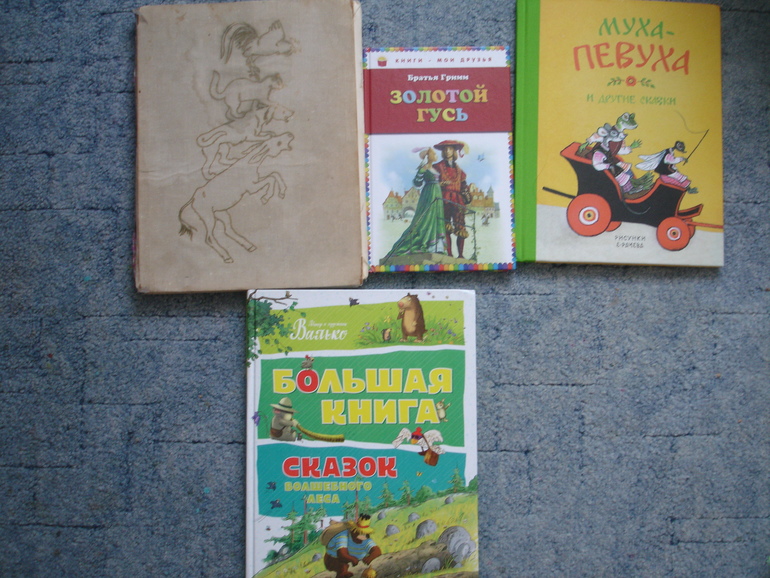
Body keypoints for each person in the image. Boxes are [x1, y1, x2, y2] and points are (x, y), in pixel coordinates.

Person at [385, 147, 446, 259]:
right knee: (427, 217)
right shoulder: (424, 168)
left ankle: (437, 246)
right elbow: (417, 183)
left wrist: (440, 184)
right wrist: (421, 172)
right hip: (429, 194)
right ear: (428, 156)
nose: (436, 156)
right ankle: (427, 243)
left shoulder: (434, 169)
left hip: (438, 194)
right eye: (434, 154)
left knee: (436, 217)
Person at [433, 140, 471, 258]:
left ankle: (461, 255)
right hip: (444, 200)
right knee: (446, 227)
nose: (447, 151)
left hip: (458, 201)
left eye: (450, 149)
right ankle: (449, 254)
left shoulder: (460, 171)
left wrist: (466, 193)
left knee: (461, 227)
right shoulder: (437, 167)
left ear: (454, 151)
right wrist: (440, 184)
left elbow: (463, 185)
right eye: (445, 149)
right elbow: (432, 183)